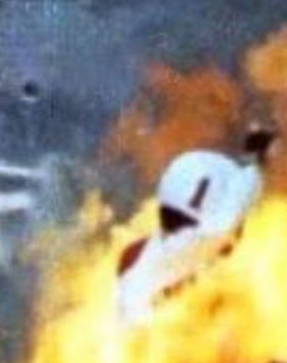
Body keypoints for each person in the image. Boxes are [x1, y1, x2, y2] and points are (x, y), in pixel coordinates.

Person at [117, 133, 273, 325]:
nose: (239, 234)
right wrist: (257, 161)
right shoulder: (202, 244)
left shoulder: (146, 258)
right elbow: (225, 221)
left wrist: (256, 161)